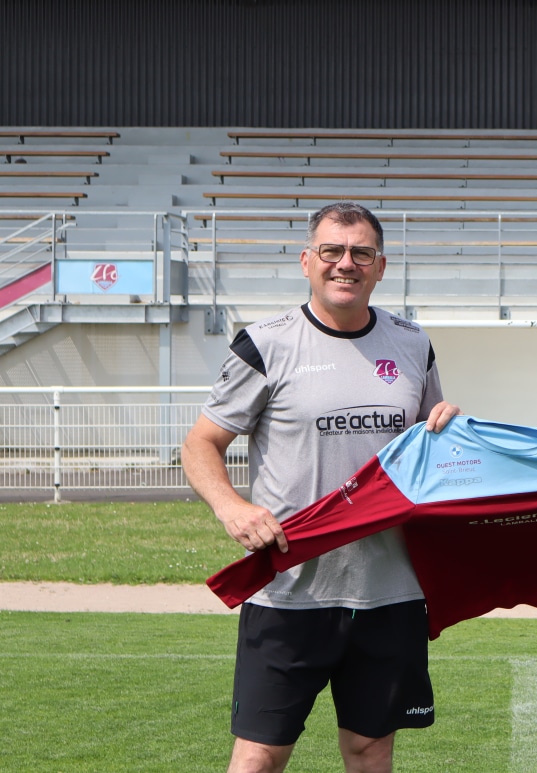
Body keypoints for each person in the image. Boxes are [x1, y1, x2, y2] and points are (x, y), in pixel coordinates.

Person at [181, 201, 460, 773]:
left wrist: (450, 426)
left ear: (380, 267)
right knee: (259, 756)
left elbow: (429, 449)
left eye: (361, 253)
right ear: (307, 261)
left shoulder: (413, 344)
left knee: (370, 750)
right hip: (289, 590)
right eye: (332, 251)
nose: (346, 264)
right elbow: (200, 444)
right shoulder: (265, 344)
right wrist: (232, 508)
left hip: (389, 591)